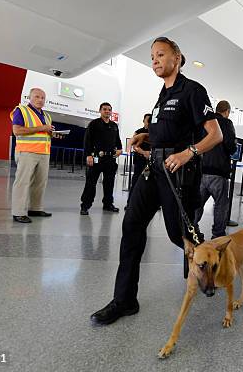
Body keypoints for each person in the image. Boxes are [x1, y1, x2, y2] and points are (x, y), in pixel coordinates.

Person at [90, 37, 222, 325]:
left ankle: (211, 266)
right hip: (153, 168)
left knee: (181, 235)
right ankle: (124, 300)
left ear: (177, 56)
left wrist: (189, 153)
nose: (155, 60)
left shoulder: (193, 91)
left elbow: (216, 135)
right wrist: (145, 137)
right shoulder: (162, 95)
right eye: (152, 56)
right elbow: (167, 134)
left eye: (161, 54)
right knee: (132, 225)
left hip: (179, 173)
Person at [10, 88, 59, 223]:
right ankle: (18, 212)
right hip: (27, 152)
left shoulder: (47, 116)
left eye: (43, 98)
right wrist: (42, 128)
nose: (40, 100)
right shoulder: (22, 110)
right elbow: (17, 130)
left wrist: (52, 134)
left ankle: (35, 208)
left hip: (44, 152)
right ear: (29, 98)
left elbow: (44, 133)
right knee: (22, 182)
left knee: (40, 183)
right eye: (37, 97)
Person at [195, 100, 237, 239]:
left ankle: (192, 229)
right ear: (227, 111)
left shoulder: (206, 121)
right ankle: (217, 235)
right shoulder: (226, 123)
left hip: (202, 170)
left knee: (197, 203)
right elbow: (231, 147)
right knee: (220, 205)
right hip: (219, 171)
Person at [79, 103, 123, 215]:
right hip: (96, 158)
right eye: (105, 109)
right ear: (100, 111)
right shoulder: (94, 124)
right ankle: (85, 206)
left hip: (110, 159)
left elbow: (117, 140)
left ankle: (108, 204)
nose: (107, 111)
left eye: (109, 110)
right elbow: (87, 140)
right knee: (91, 183)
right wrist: (88, 155)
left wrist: (120, 149)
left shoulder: (114, 125)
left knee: (109, 183)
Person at [126, 113, 152, 208]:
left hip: (149, 163)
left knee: (148, 182)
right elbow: (134, 146)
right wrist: (144, 152)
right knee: (136, 182)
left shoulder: (154, 133)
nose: (149, 122)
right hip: (140, 161)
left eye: (150, 120)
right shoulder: (138, 132)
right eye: (147, 120)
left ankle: (148, 204)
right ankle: (130, 203)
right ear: (144, 120)